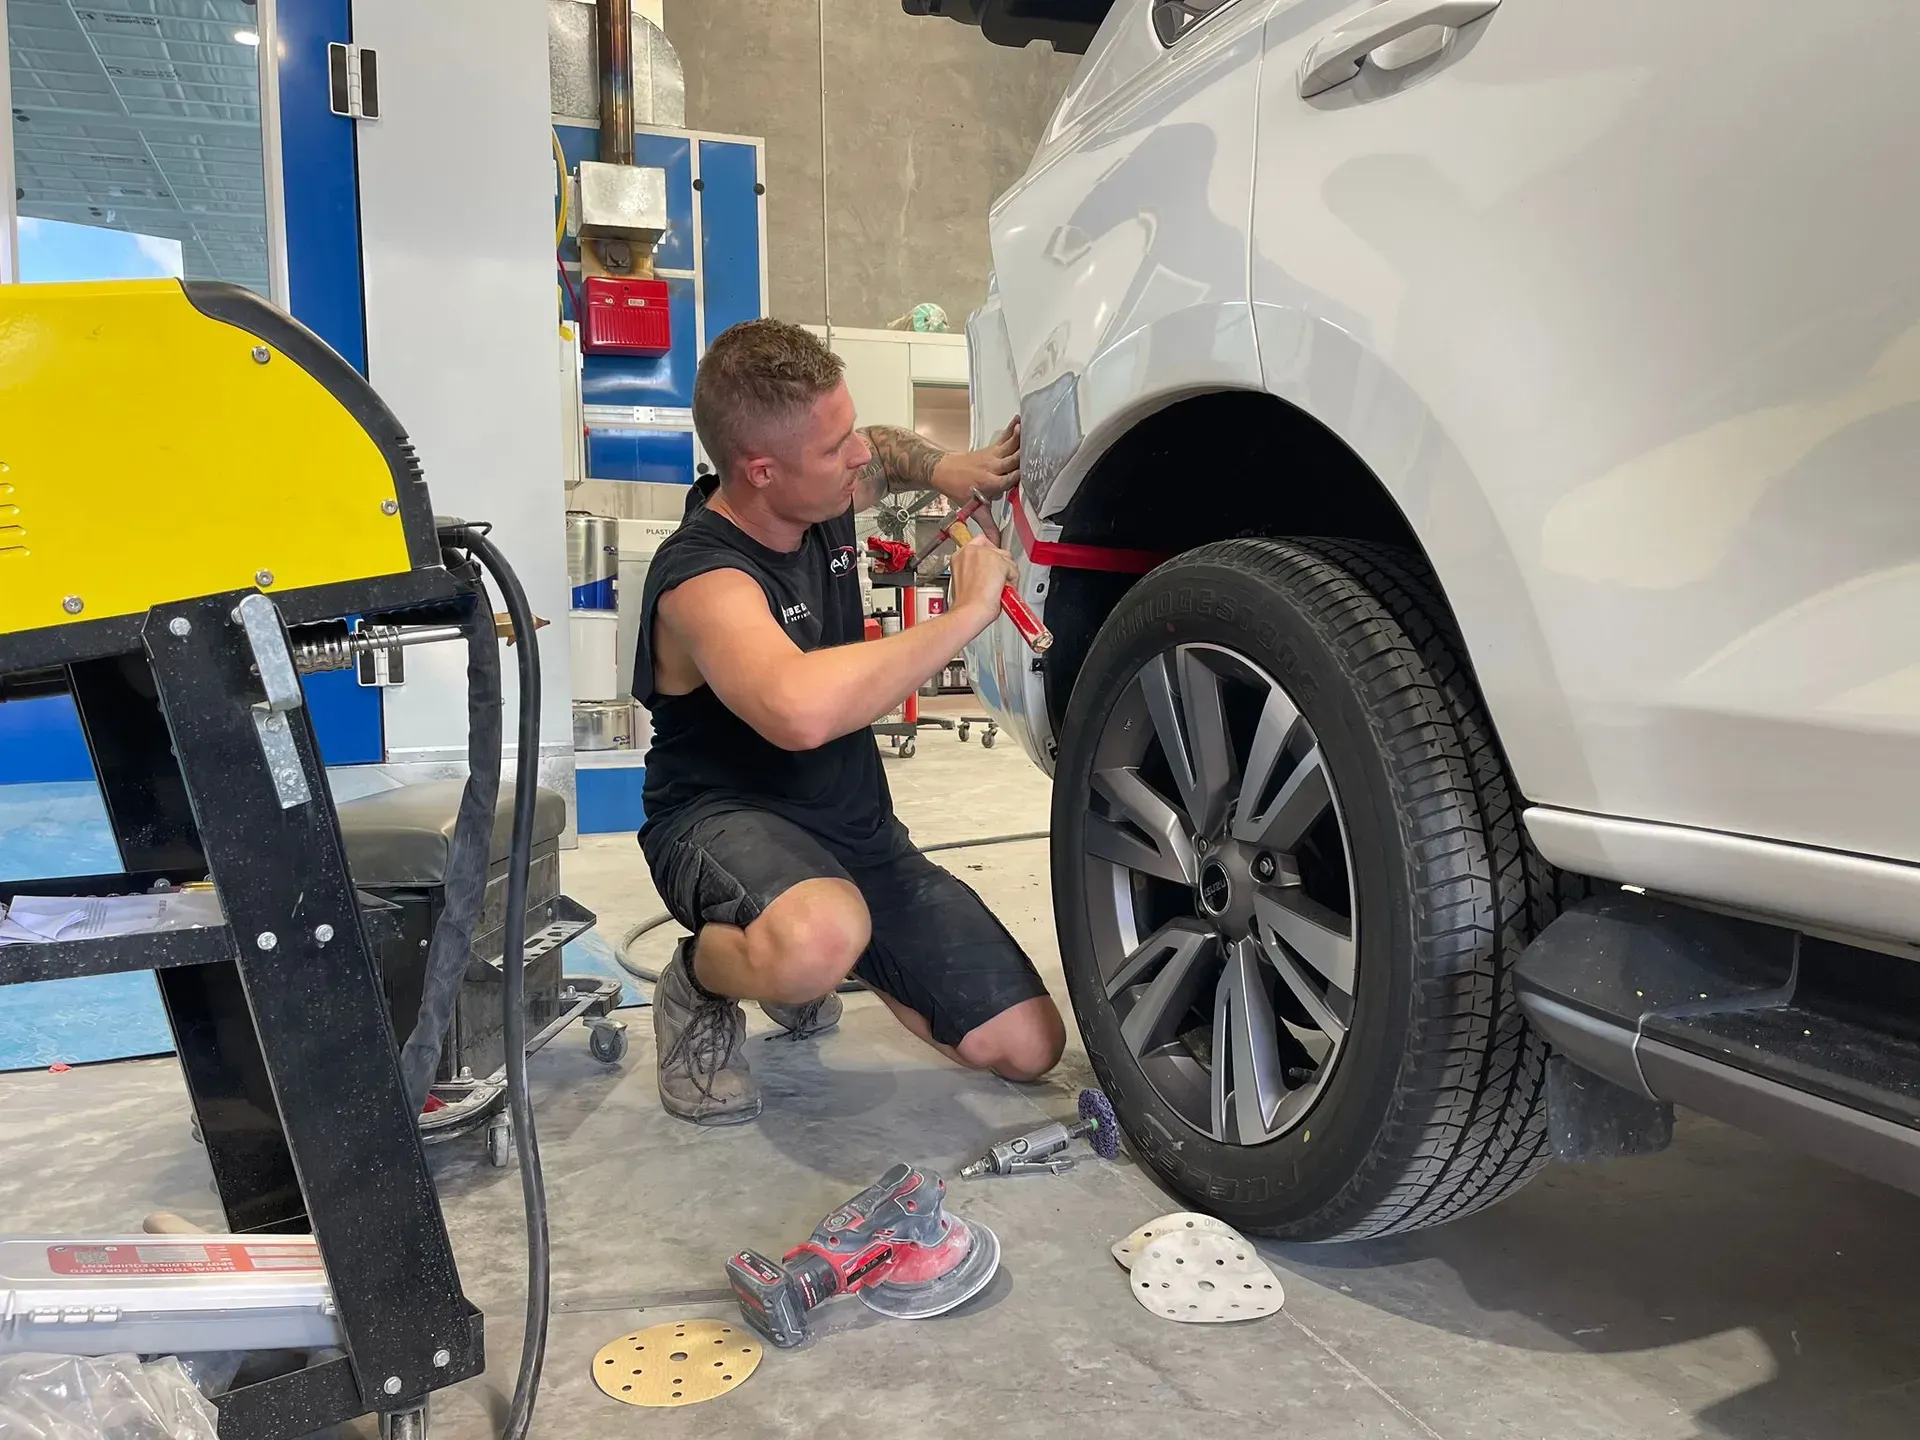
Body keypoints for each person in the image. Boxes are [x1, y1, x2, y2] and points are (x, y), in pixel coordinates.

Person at [633, 318, 1067, 1125]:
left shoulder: (818, 494)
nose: (858, 458)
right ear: (760, 471)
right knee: (817, 938)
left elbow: (887, 449)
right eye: (835, 449)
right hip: (721, 825)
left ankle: (819, 950)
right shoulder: (703, 577)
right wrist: (964, 614)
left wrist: (945, 467)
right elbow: (799, 710)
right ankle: (705, 975)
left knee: (1026, 1046)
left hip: (854, 830)